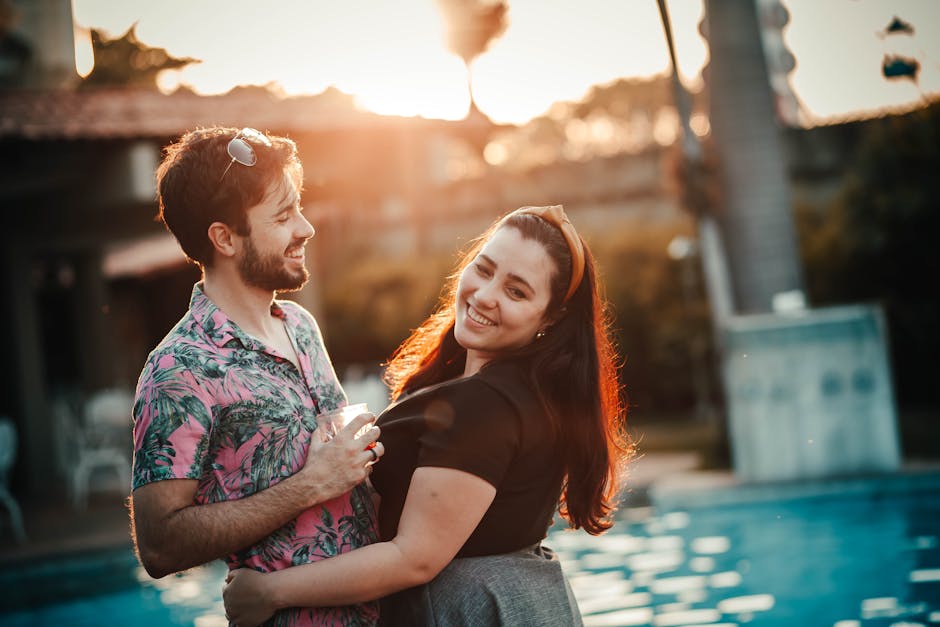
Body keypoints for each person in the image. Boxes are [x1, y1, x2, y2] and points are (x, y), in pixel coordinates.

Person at [223, 204, 631, 626]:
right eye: (484, 269)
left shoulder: (484, 406)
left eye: (517, 291)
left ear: (551, 317)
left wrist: (270, 592)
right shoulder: (523, 394)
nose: (486, 295)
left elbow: (413, 558)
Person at [130, 126, 385, 626]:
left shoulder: (302, 327)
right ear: (224, 237)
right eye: (284, 215)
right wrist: (309, 485)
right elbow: (159, 546)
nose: (306, 228)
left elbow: (346, 460)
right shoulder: (179, 368)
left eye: (300, 208)